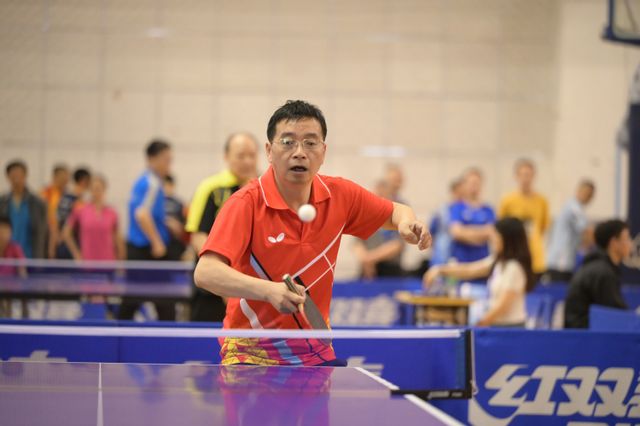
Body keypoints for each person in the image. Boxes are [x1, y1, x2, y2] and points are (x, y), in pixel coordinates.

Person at [194, 100, 431, 366]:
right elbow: (205, 272)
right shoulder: (245, 203)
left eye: (310, 142)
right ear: (269, 151)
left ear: (323, 151)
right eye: (288, 142)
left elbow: (397, 211)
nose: (299, 152)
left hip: (314, 349)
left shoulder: (341, 195)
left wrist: (406, 223)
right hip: (251, 351)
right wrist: (268, 291)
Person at [185, 132, 259, 322]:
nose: (247, 161)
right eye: (241, 156)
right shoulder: (210, 187)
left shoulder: (263, 188)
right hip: (212, 290)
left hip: (254, 289)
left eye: (252, 155)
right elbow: (198, 236)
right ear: (226, 156)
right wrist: (225, 281)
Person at [424, 217, 535, 327]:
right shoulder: (497, 261)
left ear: (507, 240)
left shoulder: (514, 268)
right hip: (496, 325)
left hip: (511, 328)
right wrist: (439, 269)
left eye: (496, 236)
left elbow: (502, 307)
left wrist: (480, 324)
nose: (492, 240)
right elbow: (469, 270)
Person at [118, 139, 174, 321]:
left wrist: (167, 222)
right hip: (146, 251)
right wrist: (157, 242)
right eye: (166, 160)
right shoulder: (152, 183)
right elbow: (142, 214)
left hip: (140, 249)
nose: (169, 164)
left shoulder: (145, 181)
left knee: (133, 300)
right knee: (163, 301)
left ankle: (118, 331)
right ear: (153, 159)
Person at [564, 219, 631, 329]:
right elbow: (616, 315)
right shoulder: (603, 273)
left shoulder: (598, 267)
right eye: (627, 238)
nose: (630, 243)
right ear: (614, 242)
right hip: (584, 335)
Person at [498, 159, 550, 278]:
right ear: (516, 176)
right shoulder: (507, 200)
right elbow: (501, 228)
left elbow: (543, 227)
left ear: (534, 176)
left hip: (535, 258)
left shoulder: (542, 201)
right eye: (523, 175)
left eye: (529, 175)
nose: (526, 179)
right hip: (514, 256)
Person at [62, 175, 125, 261]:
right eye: (93, 189)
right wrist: (76, 254)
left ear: (104, 189)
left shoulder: (112, 212)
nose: (96, 192)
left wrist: (121, 260)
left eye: (98, 188)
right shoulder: (80, 210)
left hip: (108, 261)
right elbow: (66, 233)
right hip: (88, 261)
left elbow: (118, 238)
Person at [545, 180, 596, 282]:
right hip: (560, 263)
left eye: (590, 195)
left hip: (566, 262)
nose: (587, 197)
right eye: (585, 193)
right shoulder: (573, 207)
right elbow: (587, 231)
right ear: (578, 191)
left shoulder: (576, 207)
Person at [352, 180, 404, 279]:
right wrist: (365, 259)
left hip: (390, 270)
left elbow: (396, 245)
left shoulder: (395, 218)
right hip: (367, 269)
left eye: (382, 197)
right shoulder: (364, 216)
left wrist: (371, 258)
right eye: (375, 197)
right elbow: (357, 243)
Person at [0, 160, 47, 258]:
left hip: (30, 255)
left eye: (19, 175)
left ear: (25, 175)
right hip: (6, 257)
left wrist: (40, 256)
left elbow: (42, 232)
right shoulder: (3, 202)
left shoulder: (38, 203)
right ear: (8, 177)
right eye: (13, 175)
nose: (16, 179)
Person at [449, 168, 496, 265]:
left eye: (477, 183)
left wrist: (466, 232)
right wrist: (481, 235)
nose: (474, 186)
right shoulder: (457, 207)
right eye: (471, 183)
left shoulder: (488, 209)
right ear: (464, 185)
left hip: (483, 262)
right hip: (462, 263)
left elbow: (492, 233)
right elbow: (456, 233)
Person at [52, 167, 92, 259]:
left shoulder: (86, 202)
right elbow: (58, 223)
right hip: (69, 244)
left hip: (80, 243)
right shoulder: (68, 200)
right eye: (89, 182)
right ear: (84, 181)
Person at [429, 178, 464, 267]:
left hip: (460, 259)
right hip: (442, 256)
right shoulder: (442, 211)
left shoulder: (466, 211)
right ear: (453, 192)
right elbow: (431, 232)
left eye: (462, 193)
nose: (460, 196)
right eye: (458, 192)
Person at [41, 164, 69, 253]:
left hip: (65, 234)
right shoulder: (46, 193)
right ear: (54, 177)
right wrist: (54, 232)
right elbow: (44, 215)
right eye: (62, 177)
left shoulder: (69, 195)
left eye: (67, 177)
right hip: (47, 233)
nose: (65, 180)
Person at [163, 175, 187, 261]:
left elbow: (184, 223)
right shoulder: (158, 203)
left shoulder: (178, 203)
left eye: (169, 185)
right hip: (162, 239)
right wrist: (168, 222)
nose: (167, 188)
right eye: (165, 185)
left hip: (175, 241)